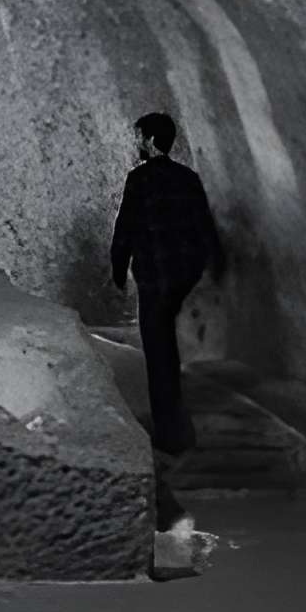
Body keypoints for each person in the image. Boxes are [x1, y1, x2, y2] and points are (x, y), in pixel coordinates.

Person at [109, 111, 224, 471]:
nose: (136, 143)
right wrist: (211, 265)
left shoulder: (139, 179)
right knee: (166, 345)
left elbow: (125, 227)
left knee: (157, 349)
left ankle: (172, 434)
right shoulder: (188, 178)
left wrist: (117, 266)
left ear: (150, 140)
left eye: (139, 136)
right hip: (181, 274)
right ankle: (177, 425)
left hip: (154, 275)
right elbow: (204, 224)